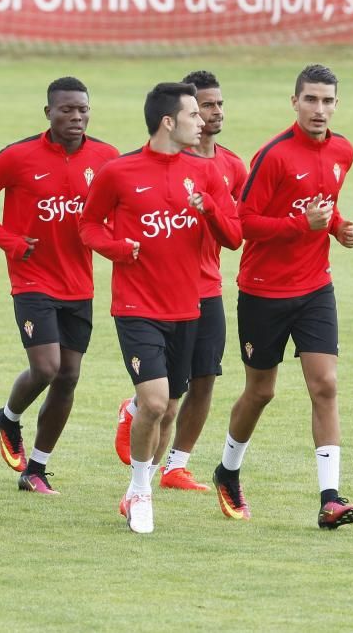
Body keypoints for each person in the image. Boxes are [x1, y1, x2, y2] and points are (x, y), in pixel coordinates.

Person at [79, 82, 240, 533]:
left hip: (187, 308)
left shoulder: (206, 173)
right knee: (154, 402)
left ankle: (135, 488)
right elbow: (88, 225)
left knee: (168, 408)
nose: (202, 121)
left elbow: (232, 236)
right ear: (168, 122)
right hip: (136, 306)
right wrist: (116, 248)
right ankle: (141, 490)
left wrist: (207, 207)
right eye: (193, 114)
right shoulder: (120, 172)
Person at [211, 64, 353, 530]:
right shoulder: (273, 155)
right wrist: (305, 225)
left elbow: (324, 203)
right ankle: (227, 470)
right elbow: (243, 223)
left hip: (315, 287)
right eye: (311, 100)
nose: (320, 109)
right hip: (263, 293)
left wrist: (338, 227)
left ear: (336, 105)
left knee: (326, 384)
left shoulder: (342, 151)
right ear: (294, 101)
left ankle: (330, 498)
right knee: (261, 391)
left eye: (328, 101)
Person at [0, 77, 119, 495]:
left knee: (69, 376)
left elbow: (122, 207)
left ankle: (36, 468)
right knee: (47, 367)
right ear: (48, 113)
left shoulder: (106, 158)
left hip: (79, 284)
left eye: (82, 110)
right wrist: (11, 243)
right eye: (66, 110)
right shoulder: (18, 156)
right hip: (32, 279)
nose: (76, 117)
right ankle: (9, 416)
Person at [114, 71, 247, 491]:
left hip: (208, 290)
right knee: (164, 399)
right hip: (163, 293)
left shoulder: (230, 167)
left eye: (217, 105)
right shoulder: (142, 167)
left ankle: (176, 465)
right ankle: (139, 432)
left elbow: (235, 231)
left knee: (204, 379)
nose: (213, 114)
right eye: (204, 106)